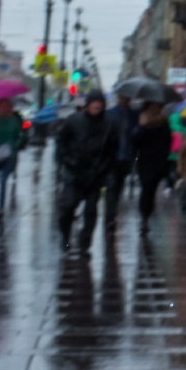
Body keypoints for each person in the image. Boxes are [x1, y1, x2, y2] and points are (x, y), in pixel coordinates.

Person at [55, 89, 117, 252]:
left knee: (90, 212)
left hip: (95, 177)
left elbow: (112, 150)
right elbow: (61, 140)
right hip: (74, 173)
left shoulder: (109, 125)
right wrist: (66, 159)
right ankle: (65, 237)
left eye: (99, 104)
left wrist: (103, 168)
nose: (96, 106)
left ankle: (85, 245)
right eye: (93, 103)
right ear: (88, 104)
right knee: (67, 208)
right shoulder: (74, 121)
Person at [103, 89, 138, 232]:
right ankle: (109, 218)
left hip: (126, 157)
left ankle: (112, 213)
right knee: (111, 187)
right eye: (123, 96)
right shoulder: (110, 113)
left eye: (128, 96)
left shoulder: (134, 114)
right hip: (112, 157)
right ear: (119, 97)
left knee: (118, 187)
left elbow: (136, 135)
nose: (126, 99)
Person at [131, 103, 171, 228]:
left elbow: (168, 140)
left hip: (159, 162)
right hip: (145, 162)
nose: (155, 109)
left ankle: (147, 214)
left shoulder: (164, 121)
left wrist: (164, 155)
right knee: (146, 190)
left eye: (157, 106)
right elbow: (135, 141)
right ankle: (144, 218)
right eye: (152, 106)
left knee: (151, 191)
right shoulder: (142, 120)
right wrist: (142, 127)